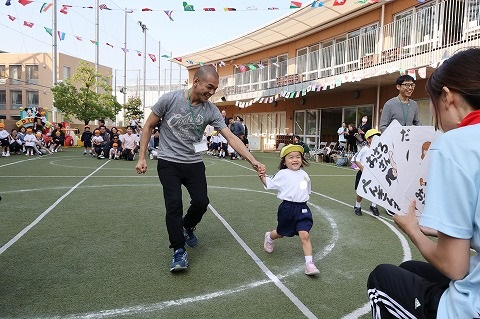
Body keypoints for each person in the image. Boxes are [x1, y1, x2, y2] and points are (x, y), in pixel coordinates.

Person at [367, 47, 480, 319]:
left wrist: (413, 229)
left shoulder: (455, 145)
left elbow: (456, 268)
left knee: (380, 278)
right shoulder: (393, 105)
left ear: (447, 96)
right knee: (410, 268)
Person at [135, 65, 265, 273]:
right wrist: (142, 157)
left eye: (215, 89)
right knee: (174, 205)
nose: (211, 93)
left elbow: (230, 137)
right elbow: (148, 126)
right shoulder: (170, 99)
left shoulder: (210, 109)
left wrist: (252, 160)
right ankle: (178, 250)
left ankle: (187, 226)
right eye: (209, 87)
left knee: (202, 202)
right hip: (169, 162)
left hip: (194, 162)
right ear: (196, 82)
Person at [259, 144, 320, 276]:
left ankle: (309, 264)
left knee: (305, 235)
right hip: (287, 208)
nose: (295, 159)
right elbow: (269, 183)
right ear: (284, 161)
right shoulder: (282, 174)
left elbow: (306, 189)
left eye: (298, 157)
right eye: (291, 157)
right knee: (281, 233)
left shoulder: (304, 174)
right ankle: (269, 236)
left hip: (303, 208)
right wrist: (262, 176)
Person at [352, 129, 381, 216]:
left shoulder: (379, 150)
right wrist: (362, 168)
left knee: (376, 190)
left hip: (374, 173)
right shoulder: (365, 149)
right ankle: (357, 206)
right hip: (363, 174)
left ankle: (373, 206)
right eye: (374, 138)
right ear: (368, 139)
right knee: (361, 191)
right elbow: (355, 159)